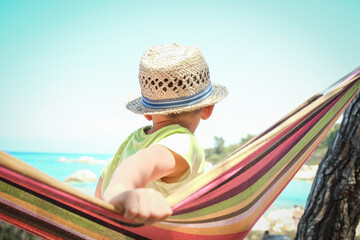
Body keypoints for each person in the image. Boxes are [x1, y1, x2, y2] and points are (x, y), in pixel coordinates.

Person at [94, 43, 228, 225]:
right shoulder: (185, 142)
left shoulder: (131, 142)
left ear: (146, 112)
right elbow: (140, 164)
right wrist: (121, 191)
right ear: (208, 109)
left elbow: (100, 192)